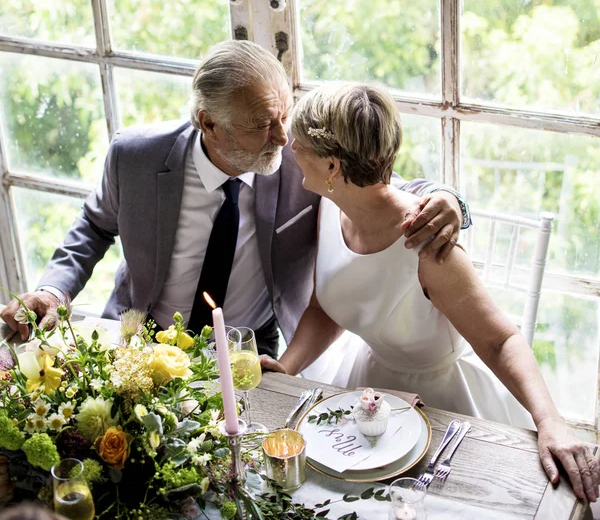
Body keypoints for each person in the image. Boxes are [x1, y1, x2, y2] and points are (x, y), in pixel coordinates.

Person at [0, 41, 467, 359]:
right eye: (262, 123)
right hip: (138, 339)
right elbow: (95, 225)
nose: (282, 136)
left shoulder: (300, 163)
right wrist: (52, 290)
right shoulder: (135, 157)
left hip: (250, 351)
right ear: (208, 122)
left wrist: (448, 199)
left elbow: (380, 183)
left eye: (284, 114)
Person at [261, 82, 600, 502]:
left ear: (332, 167)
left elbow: (500, 339)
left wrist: (550, 420)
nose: (290, 145)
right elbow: (327, 305)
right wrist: (286, 367)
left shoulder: (427, 243)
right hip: (368, 389)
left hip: (447, 407)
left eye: (300, 143)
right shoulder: (334, 206)